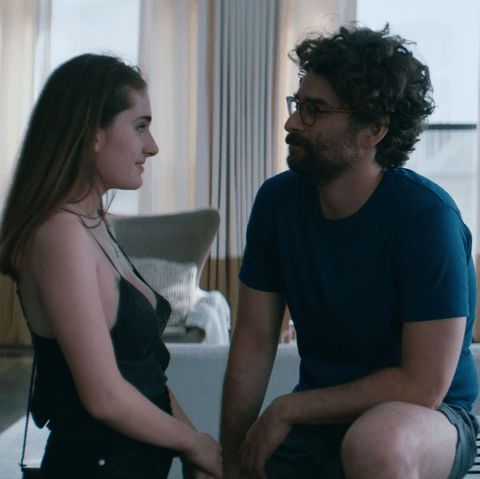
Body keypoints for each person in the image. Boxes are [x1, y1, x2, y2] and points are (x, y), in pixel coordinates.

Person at [220, 24, 479, 479]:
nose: (291, 122)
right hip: (322, 420)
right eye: (297, 105)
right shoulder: (277, 202)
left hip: (428, 419)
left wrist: (287, 408)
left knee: (375, 444)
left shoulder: (426, 218)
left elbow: (422, 386)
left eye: (313, 111)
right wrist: (230, 458)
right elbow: (254, 341)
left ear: (373, 130)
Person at [0, 53, 222, 479]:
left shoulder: (94, 223)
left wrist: (196, 449)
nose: (152, 146)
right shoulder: (60, 234)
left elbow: (143, 372)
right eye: (140, 126)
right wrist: (194, 443)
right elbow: (103, 395)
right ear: (92, 134)